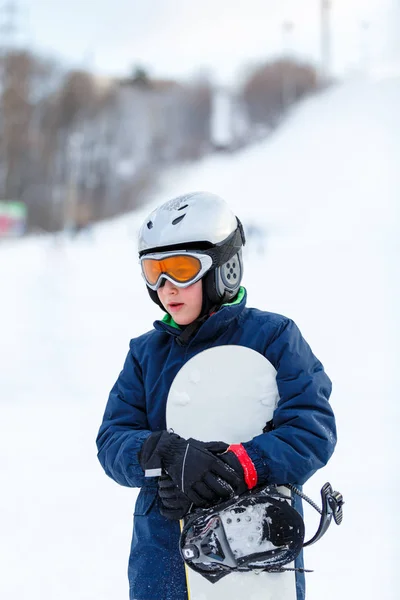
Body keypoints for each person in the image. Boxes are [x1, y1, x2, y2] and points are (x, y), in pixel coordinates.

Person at [96, 191, 336, 600]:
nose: (166, 286)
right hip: (162, 553)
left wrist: (238, 465)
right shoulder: (145, 353)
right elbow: (112, 442)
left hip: (253, 545)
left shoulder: (274, 337)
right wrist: (164, 452)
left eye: (181, 269)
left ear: (224, 268)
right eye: (153, 271)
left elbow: (311, 429)